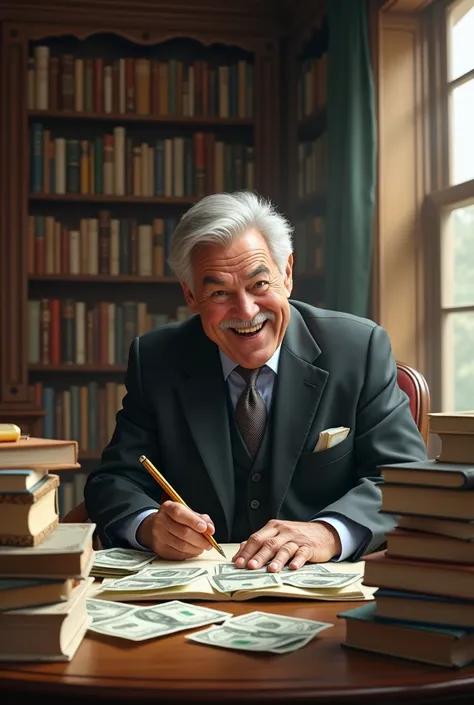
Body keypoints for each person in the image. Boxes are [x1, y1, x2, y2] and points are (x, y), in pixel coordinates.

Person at [84, 191, 427, 572]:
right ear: (191, 296)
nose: (245, 311)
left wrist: (327, 534)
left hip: (320, 585)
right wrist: (149, 526)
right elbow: (114, 481)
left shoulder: (357, 349)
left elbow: (405, 480)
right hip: (197, 590)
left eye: (259, 284)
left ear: (287, 273)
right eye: (219, 292)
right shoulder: (157, 359)